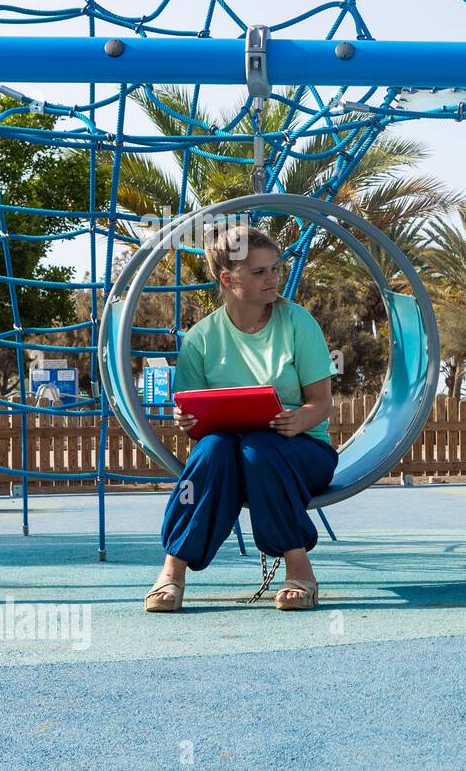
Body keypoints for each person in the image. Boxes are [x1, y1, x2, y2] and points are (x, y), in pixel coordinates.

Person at [143, 225, 338, 612]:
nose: (273, 278)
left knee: (260, 447)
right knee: (212, 449)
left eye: (275, 268)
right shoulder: (201, 338)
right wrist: (187, 421)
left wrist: (299, 420)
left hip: (302, 452)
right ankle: (172, 570)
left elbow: (321, 403)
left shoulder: (297, 323)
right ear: (227, 279)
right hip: (232, 456)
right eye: (259, 271)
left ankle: (300, 568)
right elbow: (195, 422)